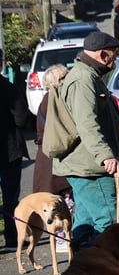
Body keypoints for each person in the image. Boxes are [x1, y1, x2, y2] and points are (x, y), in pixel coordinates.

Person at [52, 32, 119, 252]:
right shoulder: (83, 79)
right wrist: (105, 155)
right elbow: (87, 123)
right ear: (103, 54)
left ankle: (79, 272)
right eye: (113, 55)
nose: (114, 60)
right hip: (90, 168)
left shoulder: (89, 76)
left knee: (85, 223)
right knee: (110, 221)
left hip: (85, 166)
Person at [0, 48, 29, 252]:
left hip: (9, 151)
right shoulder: (9, 89)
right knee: (10, 197)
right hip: (9, 150)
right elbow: (21, 119)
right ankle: (12, 239)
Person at [33, 64, 72, 196]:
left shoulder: (50, 99)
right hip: (52, 160)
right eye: (62, 78)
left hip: (49, 160)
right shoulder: (52, 100)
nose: (67, 79)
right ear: (53, 82)